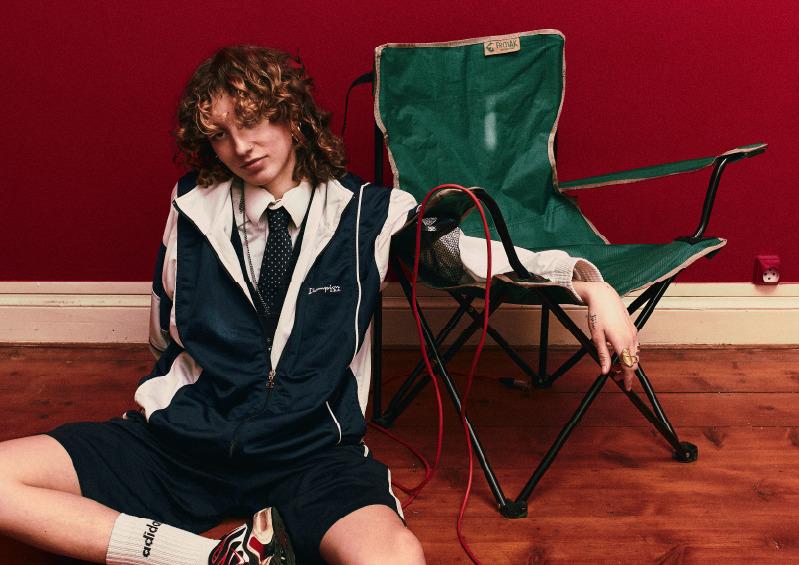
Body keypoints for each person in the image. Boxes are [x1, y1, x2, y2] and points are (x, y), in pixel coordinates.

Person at [0, 44, 639, 565]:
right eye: (220, 134)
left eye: (253, 119)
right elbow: (165, 326)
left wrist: (588, 282)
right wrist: (176, 402)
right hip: (187, 444)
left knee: (395, 558)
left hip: (310, 455)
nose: (241, 146)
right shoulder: (190, 206)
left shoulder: (372, 213)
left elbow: (475, 257)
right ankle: (210, 559)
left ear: (293, 116)